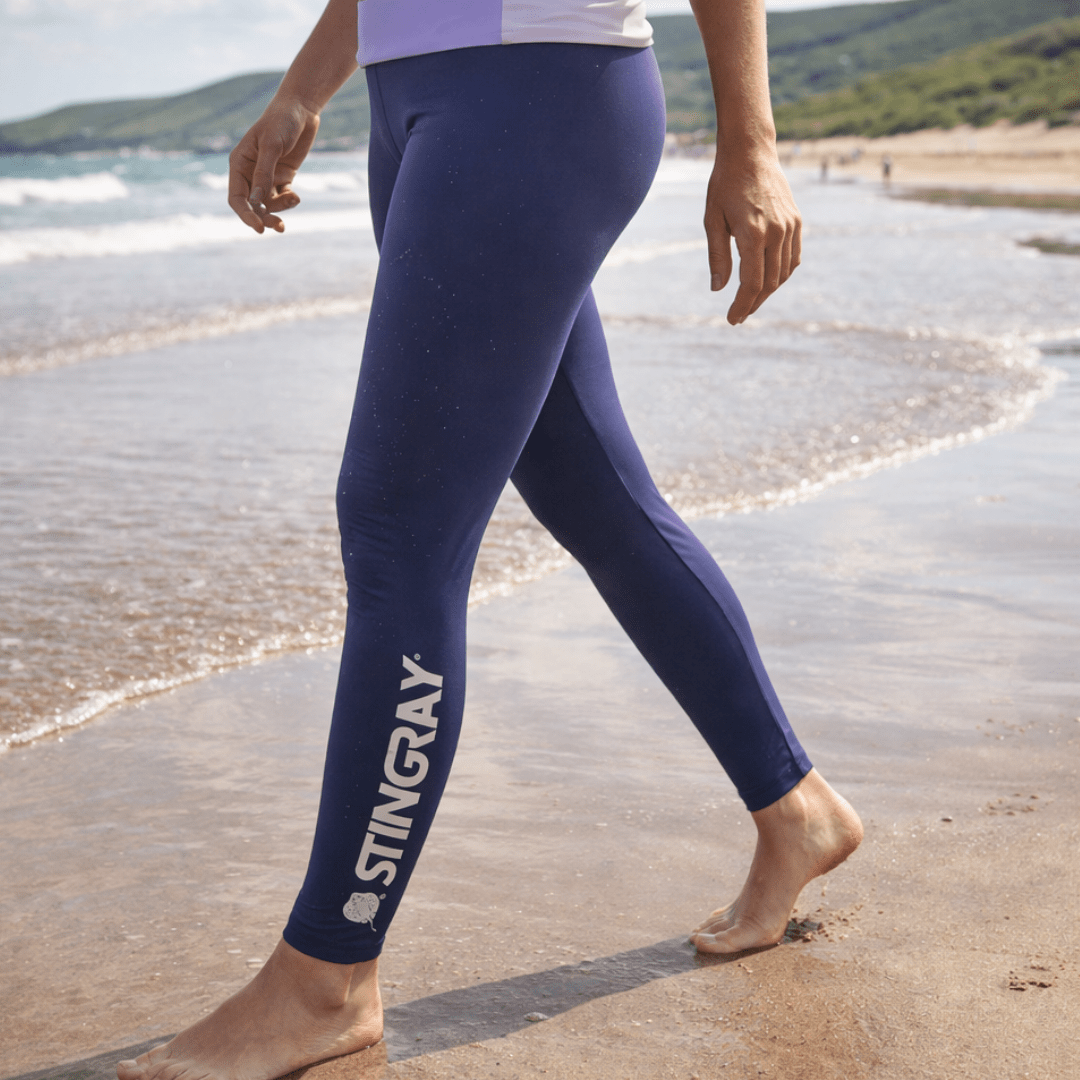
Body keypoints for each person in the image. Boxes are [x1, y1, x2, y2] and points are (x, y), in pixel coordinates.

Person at [118, 2, 862, 1078]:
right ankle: (797, 809)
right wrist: (306, 85)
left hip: (535, 94)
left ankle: (326, 978)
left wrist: (752, 146)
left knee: (398, 532)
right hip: (422, 102)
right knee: (591, 492)